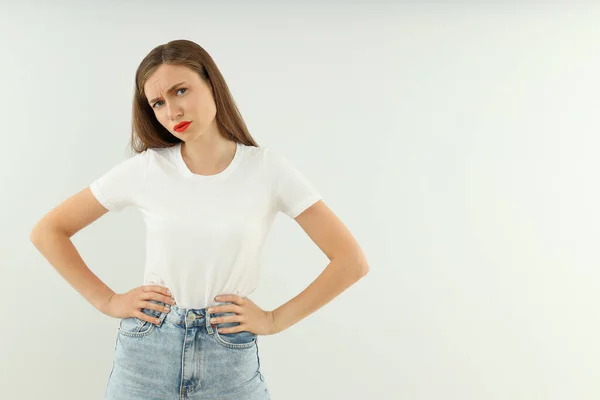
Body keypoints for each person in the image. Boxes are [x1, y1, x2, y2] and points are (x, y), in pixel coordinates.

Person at [30, 39, 369, 400]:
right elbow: (49, 231)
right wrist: (108, 301)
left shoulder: (268, 170)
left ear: (212, 84)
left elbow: (351, 261)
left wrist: (273, 320)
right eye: (158, 103)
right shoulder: (147, 169)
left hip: (228, 354)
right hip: (147, 352)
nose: (172, 111)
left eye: (181, 91)